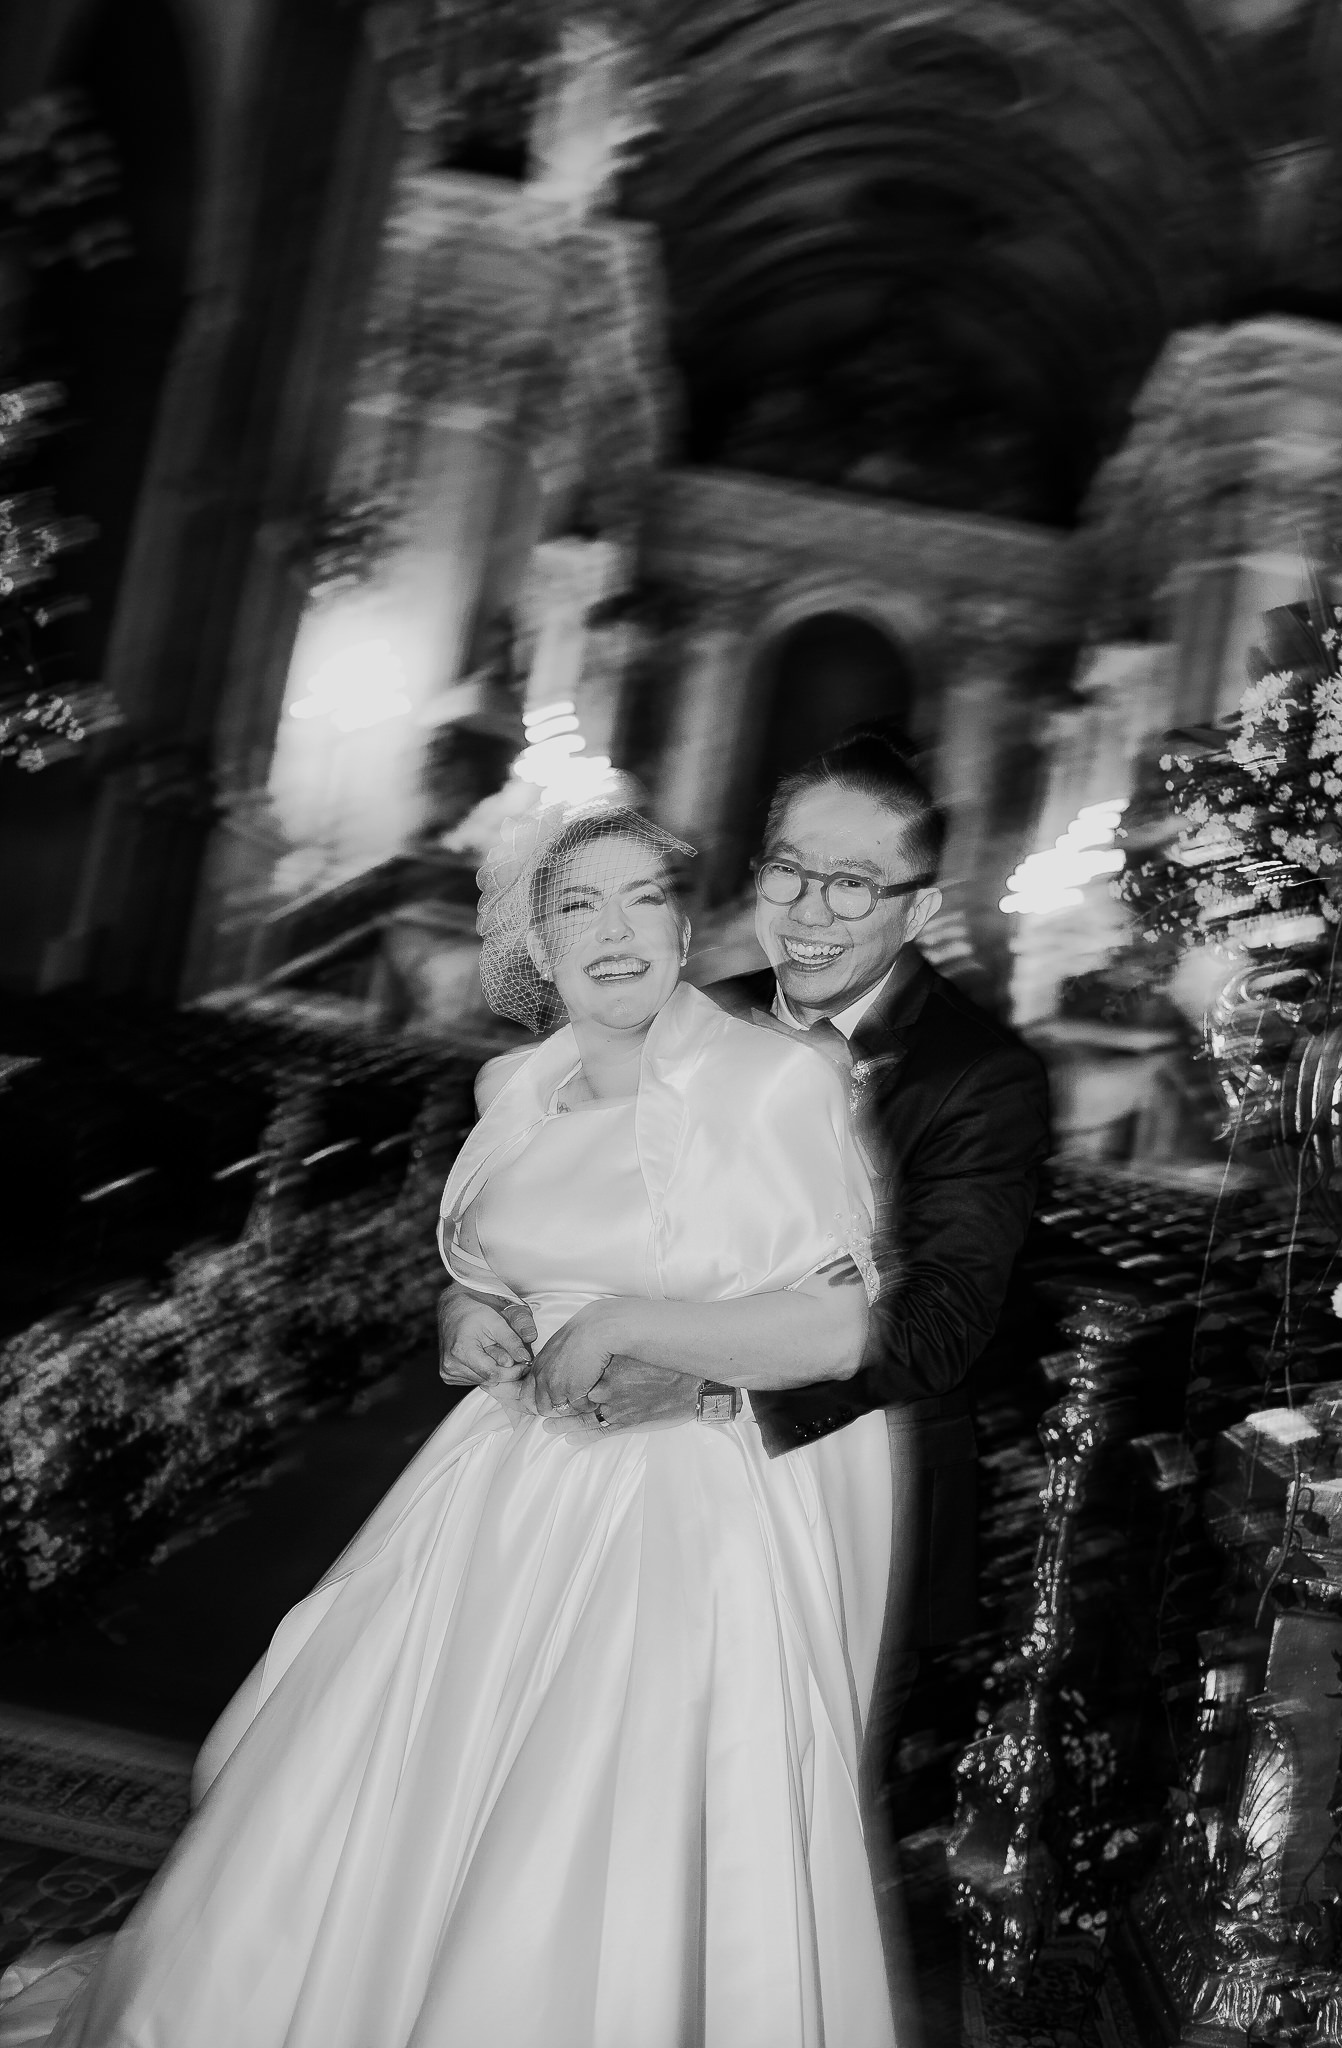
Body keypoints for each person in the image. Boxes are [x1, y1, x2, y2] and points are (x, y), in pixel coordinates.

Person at [0, 803, 898, 2048]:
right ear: (539, 945)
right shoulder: (510, 1083)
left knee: (594, 1823)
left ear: (685, 932)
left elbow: (837, 1328)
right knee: (383, 1782)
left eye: (642, 898)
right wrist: (465, 1309)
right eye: (579, 905)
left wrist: (638, 1322)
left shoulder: (774, 1081)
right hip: (497, 1477)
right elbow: (495, 1260)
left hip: (674, 1495)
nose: (615, 929)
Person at [440, 731, 1051, 1788]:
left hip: (827, 1486)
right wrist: (472, 1301)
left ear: (917, 911)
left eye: (853, 884)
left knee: (764, 1803)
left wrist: (706, 1378)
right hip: (595, 1475)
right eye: (788, 871)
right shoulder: (693, 1009)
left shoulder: (978, 1075)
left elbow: (935, 1326)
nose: (810, 910)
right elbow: (568, 1209)